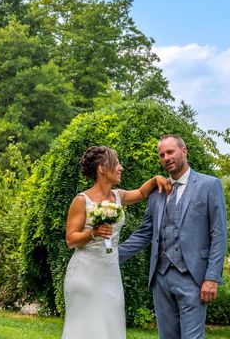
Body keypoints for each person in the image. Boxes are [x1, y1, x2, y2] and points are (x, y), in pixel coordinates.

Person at [119, 134, 228, 339]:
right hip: (161, 278)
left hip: (193, 278)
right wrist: (110, 255)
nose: (166, 158)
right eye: (162, 155)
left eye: (170, 152)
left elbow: (219, 234)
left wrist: (212, 278)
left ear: (184, 151)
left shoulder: (209, 185)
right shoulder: (156, 193)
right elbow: (144, 234)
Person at [62, 145, 172, 339]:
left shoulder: (118, 196)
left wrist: (156, 180)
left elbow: (141, 193)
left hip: (111, 274)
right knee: (86, 328)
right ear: (102, 168)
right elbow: (71, 239)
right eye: (117, 163)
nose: (121, 168)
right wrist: (93, 233)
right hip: (85, 274)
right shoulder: (82, 200)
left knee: (111, 325)